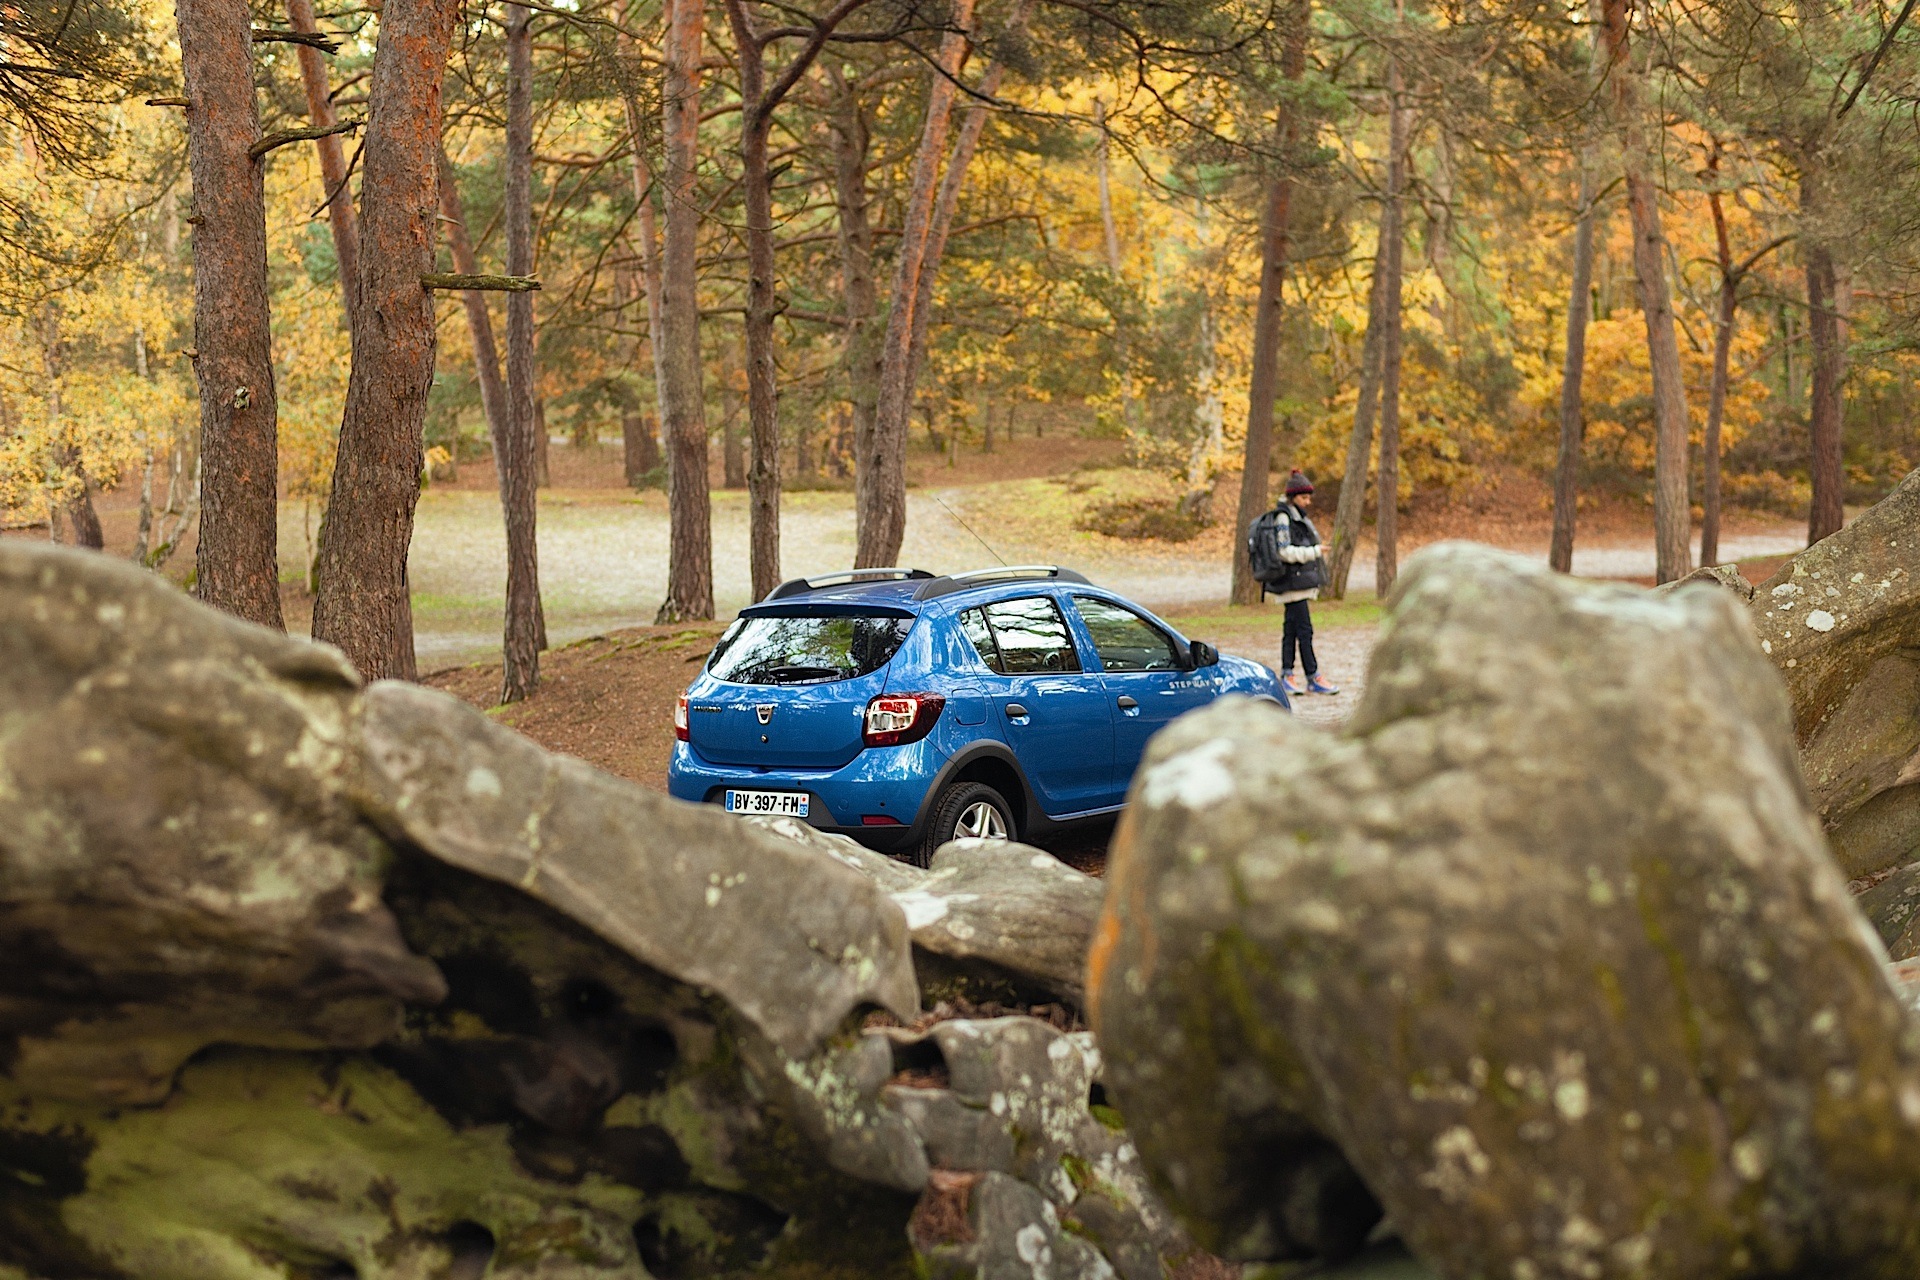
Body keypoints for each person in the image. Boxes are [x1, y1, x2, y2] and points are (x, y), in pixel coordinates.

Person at [1267, 470, 1339, 696]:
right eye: (1304, 497)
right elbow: (1284, 552)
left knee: (1292, 630)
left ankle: (1288, 674)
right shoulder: (1284, 518)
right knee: (1304, 630)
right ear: (1293, 496)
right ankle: (1313, 675)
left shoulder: (1297, 516)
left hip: (1296, 585)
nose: (1308, 502)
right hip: (1292, 584)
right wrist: (1314, 552)